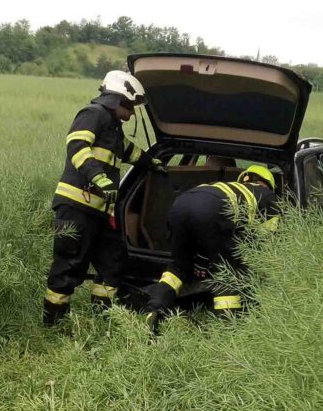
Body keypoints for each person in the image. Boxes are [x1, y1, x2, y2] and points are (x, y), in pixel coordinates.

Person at [44, 70, 149, 326]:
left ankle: (103, 319)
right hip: (76, 207)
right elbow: (77, 146)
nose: (132, 112)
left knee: (112, 262)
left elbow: (127, 151)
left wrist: (151, 162)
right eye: (130, 105)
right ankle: (53, 324)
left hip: (101, 212)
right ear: (118, 98)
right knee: (68, 266)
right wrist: (98, 178)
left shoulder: (112, 126)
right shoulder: (92, 114)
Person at [145, 165, 281, 331]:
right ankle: (228, 328)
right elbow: (268, 242)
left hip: (180, 205)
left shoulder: (230, 188)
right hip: (213, 208)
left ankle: (154, 310)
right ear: (267, 184)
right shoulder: (267, 195)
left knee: (177, 268)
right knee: (227, 272)